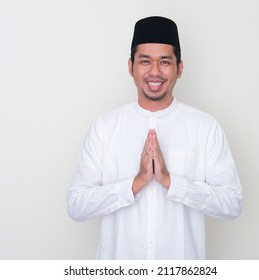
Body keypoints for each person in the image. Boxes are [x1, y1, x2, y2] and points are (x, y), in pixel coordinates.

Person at [67, 16, 243, 259]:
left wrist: (172, 182)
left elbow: (232, 203)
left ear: (179, 68)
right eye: (145, 61)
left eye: (165, 62)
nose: (155, 72)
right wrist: (135, 183)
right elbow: (77, 205)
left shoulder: (205, 127)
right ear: (131, 66)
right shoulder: (105, 128)